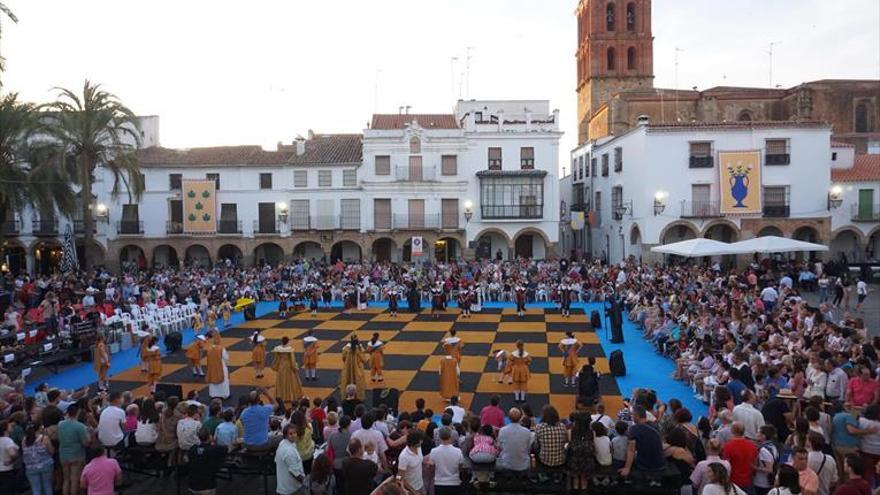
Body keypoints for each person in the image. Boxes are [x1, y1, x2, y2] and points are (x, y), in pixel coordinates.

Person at [620, 405, 665, 477]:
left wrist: (627, 468)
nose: (631, 417)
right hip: (660, 464)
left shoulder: (634, 429)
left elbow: (631, 450)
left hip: (645, 466)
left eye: (632, 415)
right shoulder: (655, 426)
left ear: (636, 416)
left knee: (624, 455)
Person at [58, 404, 89, 495]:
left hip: (63, 455)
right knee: (75, 479)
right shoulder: (80, 426)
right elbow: (85, 443)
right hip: (77, 455)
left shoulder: (60, 424)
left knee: (66, 479)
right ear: (78, 413)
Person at [188, 428, 228, 495]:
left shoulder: (193, 449)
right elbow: (226, 449)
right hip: (207, 486)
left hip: (193, 485)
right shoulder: (214, 449)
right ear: (209, 437)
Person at [722, 422, 758, 493]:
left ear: (732, 431)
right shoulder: (752, 445)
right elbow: (755, 462)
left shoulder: (728, 446)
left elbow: (726, 464)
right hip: (748, 480)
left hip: (733, 481)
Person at [430, 426, 464, 495]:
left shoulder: (434, 451)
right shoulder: (458, 451)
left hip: (439, 483)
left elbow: (432, 468)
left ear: (439, 436)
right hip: (454, 482)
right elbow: (460, 467)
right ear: (450, 436)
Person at [22, 424, 54, 495]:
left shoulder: (24, 440)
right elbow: (51, 451)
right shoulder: (44, 438)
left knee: (35, 488)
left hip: (31, 467)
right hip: (46, 465)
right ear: (39, 429)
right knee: (47, 486)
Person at [497, 408, 532, 472]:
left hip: (506, 464)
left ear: (509, 418)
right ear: (520, 418)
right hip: (523, 464)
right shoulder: (527, 432)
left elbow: (499, 447)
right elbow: (528, 448)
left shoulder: (502, 430)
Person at [275, 424, 306, 495]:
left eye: (295, 433)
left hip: (285, 488)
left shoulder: (283, 444)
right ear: (286, 435)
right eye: (290, 434)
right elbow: (295, 472)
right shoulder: (289, 451)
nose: (294, 435)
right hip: (291, 490)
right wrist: (305, 482)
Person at [272, 336, 304, 404]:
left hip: (281, 365)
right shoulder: (290, 349)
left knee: (281, 380)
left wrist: (275, 366)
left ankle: (281, 396)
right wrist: (295, 367)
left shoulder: (278, 349)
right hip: (288, 366)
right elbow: (292, 360)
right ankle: (290, 396)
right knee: (290, 380)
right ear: (288, 341)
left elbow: (276, 359)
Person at [340, 335, 369, 400]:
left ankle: (347, 395)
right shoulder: (359, 348)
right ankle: (358, 396)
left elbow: (343, 358)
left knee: (347, 380)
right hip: (357, 368)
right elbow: (364, 359)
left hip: (348, 368)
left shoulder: (346, 348)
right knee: (358, 381)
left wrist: (347, 363)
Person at [397, 430, 425, 494]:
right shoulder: (404, 456)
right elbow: (400, 476)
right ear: (415, 442)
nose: (422, 441)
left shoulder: (419, 448)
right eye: (421, 440)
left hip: (421, 484)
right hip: (411, 489)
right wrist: (413, 492)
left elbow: (419, 460)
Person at [205, 331, 230, 399]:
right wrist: (227, 363)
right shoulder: (221, 349)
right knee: (223, 381)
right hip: (221, 367)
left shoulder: (209, 349)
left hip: (212, 367)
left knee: (213, 381)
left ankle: (213, 395)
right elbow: (226, 358)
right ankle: (224, 395)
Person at [0, 420, 18, 494]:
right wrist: (11, 460)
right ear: (5, 428)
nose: (12, 427)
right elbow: (13, 454)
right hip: (7, 470)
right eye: (10, 426)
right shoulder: (8, 440)